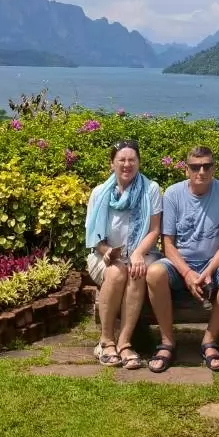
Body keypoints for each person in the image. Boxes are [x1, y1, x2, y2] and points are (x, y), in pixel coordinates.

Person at [145, 146, 219, 373]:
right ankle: (167, 341)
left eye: (207, 166)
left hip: (213, 261)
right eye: (195, 167)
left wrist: (210, 269)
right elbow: (167, 244)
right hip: (181, 262)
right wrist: (187, 273)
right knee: (154, 272)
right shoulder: (172, 193)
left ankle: (209, 340)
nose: (201, 171)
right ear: (186, 170)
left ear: (214, 168)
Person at [83, 139, 163, 370]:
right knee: (117, 272)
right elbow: (93, 236)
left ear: (138, 162)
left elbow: (155, 229)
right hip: (104, 256)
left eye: (132, 160)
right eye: (122, 160)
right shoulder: (99, 193)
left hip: (141, 253)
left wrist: (138, 253)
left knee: (137, 271)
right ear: (112, 164)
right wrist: (107, 251)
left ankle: (125, 343)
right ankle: (106, 341)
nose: (127, 164)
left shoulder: (151, 189)